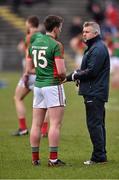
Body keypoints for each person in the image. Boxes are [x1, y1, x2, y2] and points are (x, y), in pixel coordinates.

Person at [65, 21, 110, 165]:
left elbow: (92, 71)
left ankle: (98, 157)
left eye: (87, 32)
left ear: (96, 33)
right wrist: (76, 75)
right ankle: (101, 154)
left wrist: (73, 76)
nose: (84, 34)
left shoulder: (98, 48)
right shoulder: (94, 47)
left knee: (94, 125)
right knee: (98, 124)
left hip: (94, 92)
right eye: (83, 32)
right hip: (94, 90)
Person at [27, 15, 66, 166]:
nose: (60, 30)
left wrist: (43, 72)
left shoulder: (34, 43)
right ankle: (53, 159)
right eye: (60, 27)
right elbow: (61, 72)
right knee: (55, 124)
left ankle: (35, 159)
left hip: (38, 86)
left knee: (36, 124)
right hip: (52, 85)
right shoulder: (56, 45)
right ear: (56, 28)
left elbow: (30, 69)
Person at [13, 15, 48, 136]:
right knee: (46, 104)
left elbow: (28, 56)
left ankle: (22, 128)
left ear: (29, 24)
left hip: (31, 73)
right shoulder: (43, 37)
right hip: (42, 74)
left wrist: (26, 73)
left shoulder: (29, 37)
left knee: (17, 97)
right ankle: (44, 130)